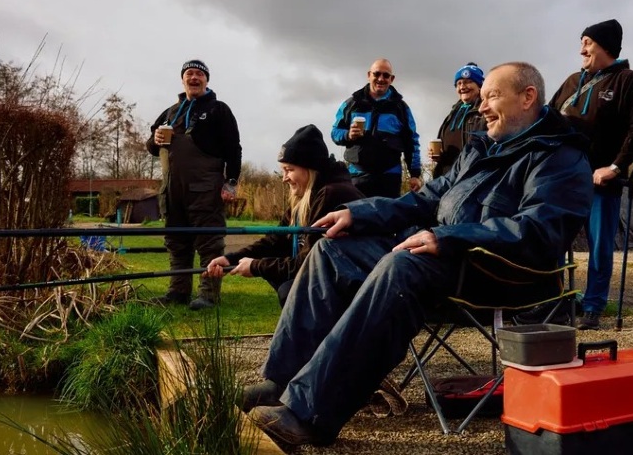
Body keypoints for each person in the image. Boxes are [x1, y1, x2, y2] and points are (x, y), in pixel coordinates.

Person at [244, 62, 593, 446]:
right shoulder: (481, 150)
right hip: (445, 259)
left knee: (401, 266)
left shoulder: (561, 157)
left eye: (492, 95)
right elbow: (426, 198)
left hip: (500, 274)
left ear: (528, 97)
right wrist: (356, 214)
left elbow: (539, 231)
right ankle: (279, 380)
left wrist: (449, 237)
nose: (481, 107)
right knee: (331, 251)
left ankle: (310, 413)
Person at [548, 19, 633, 330]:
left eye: (588, 42)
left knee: (600, 245)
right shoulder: (570, 82)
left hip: (601, 180)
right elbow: (548, 117)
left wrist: (616, 167)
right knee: (551, 240)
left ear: (605, 46)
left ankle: (593, 307)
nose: (582, 49)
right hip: (564, 179)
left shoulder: (628, 80)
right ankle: (552, 301)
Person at [205, 125, 364, 306]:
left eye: (289, 170)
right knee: (280, 278)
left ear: (309, 167)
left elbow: (308, 263)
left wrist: (256, 266)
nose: (284, 178)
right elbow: (277, 239)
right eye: (283, 170)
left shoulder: (331, 194)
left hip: (350, 284)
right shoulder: (307, 194)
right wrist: (230, 259)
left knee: (289, 289)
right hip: (326, 277)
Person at [146, 59, 242, 310]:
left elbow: (234, 149)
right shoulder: (169, 112)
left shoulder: (219, 110)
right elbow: (151, 148)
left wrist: (231, 182)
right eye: (189, 73)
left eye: (199, 74)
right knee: (177, 243)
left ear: (206, 80)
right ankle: (178, 291)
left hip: (206, 190)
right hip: (172, 191)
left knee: (209, 243)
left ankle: (208, 295)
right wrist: (154, 140)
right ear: (182, 79)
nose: (194, 78)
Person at [331, 58, 422, 198]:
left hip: (389, 176)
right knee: (356, 217)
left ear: (392, 79)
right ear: (369, 75)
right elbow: (335, 132)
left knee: (387, 218)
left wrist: (415, 174)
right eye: (377, 74)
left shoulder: (401, 108)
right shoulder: (351, 103)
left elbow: (412, 142)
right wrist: (348, 135)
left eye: (386, 75)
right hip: (357, 175)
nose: (381, 79)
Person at [431, 62, 487, 178]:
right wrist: (438, 155)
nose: (462, 87)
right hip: (445, 177)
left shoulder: (485, 111)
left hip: (469, 177)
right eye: (459, 83)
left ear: (479, 85)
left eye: (468, 82)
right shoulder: (453, 112)